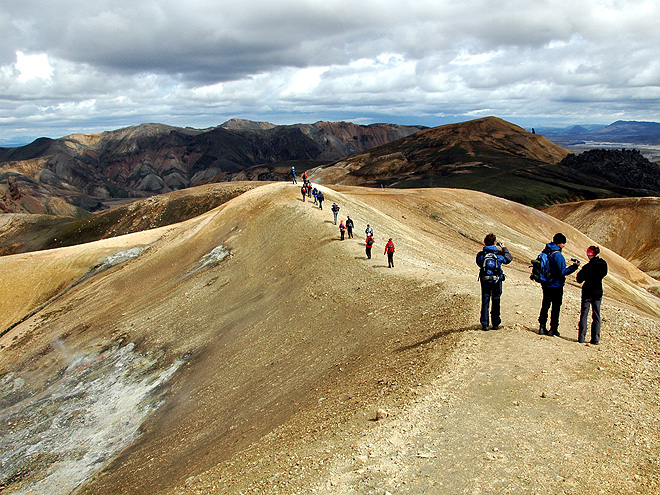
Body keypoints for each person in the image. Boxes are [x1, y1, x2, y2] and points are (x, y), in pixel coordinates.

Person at [538, 233, 580, 337]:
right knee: (556, 307)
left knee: (545, 305)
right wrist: (574, 267)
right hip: (556, 285)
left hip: (546, 283)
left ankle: (542, 327)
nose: (564, 245)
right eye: (563, 243)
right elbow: (562, 272)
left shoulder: (546, 250)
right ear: (559, 243)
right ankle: (553, 329)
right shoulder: (558, 255)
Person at [475, 234, 513, 331]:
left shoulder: (481, 255)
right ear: (495, 243)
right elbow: (508, 258)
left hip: (485, 280)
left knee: (485, 301)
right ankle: (495, 323)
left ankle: (485, 324)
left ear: (484, 242)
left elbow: (478, 263)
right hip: (496, 280)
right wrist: (504, 248)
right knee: (496, 301)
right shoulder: (499, 255)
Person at [576, 245, 608, 344]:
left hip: (587, 292)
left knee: (584, 314)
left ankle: (581, 337)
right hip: (598, 291)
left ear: (589, 254)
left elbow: (579, 279)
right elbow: (604, 273)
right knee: (597, 315)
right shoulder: (603, 264)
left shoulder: (587, 267)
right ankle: (595, 338)